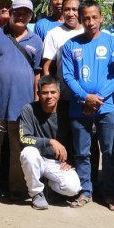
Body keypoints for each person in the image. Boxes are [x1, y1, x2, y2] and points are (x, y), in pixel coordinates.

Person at [61, 0, 114, 209]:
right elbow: (68, 77)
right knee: (81, 152)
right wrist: (85, 97)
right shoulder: (70, 45)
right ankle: (86, 191)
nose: (90, 21)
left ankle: (110, 194)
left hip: (106, 107)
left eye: (94, 17)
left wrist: (98, 99)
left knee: (110, 152)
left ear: (101, 17)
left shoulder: (112, 42)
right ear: (80, 18)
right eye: (86, 17)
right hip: (79, 107)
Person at [0, 0, 43, 200]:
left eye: (26, 12)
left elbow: (37, 74)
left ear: (31, 16)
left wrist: (36, 101)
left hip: (23, 105)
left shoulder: (35, 40)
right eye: (18, 11)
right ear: (11, 12)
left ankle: (17, 187)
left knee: (20, 147)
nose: (21, 15)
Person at [18, 76, 83, 210]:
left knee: (73, 188)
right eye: (44, 93)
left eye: (53, 92)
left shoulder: (67, 111)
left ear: (59, 94)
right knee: (28, 153)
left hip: (57, 162)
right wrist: (50, 142)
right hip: (37, 159)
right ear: (38, 94)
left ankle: (49, 187)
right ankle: (36, 193)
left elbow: (76, 138)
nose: (49, 96)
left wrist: (70, 160)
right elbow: (23, 138)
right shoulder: (28, 109)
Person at [40, 0, 83, 89]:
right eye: (67, 9)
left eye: (75, 9)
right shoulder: (53, 34)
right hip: (63, 95)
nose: (71, 13)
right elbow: (47, 68)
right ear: (62, 11)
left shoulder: (88, 32)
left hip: (87, 96)